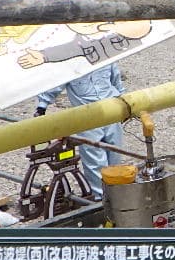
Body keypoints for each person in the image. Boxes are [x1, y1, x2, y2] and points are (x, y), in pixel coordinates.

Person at [33, 62, 125, 199]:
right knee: (94, 157)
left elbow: (116, 79)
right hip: (87, 116)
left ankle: (117, 192)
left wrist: (126, 101)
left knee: (115, 152)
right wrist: (42, 106)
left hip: (111, 109)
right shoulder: (69, 64)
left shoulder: (105, 58)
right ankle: (100, 198)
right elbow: (56, 83)